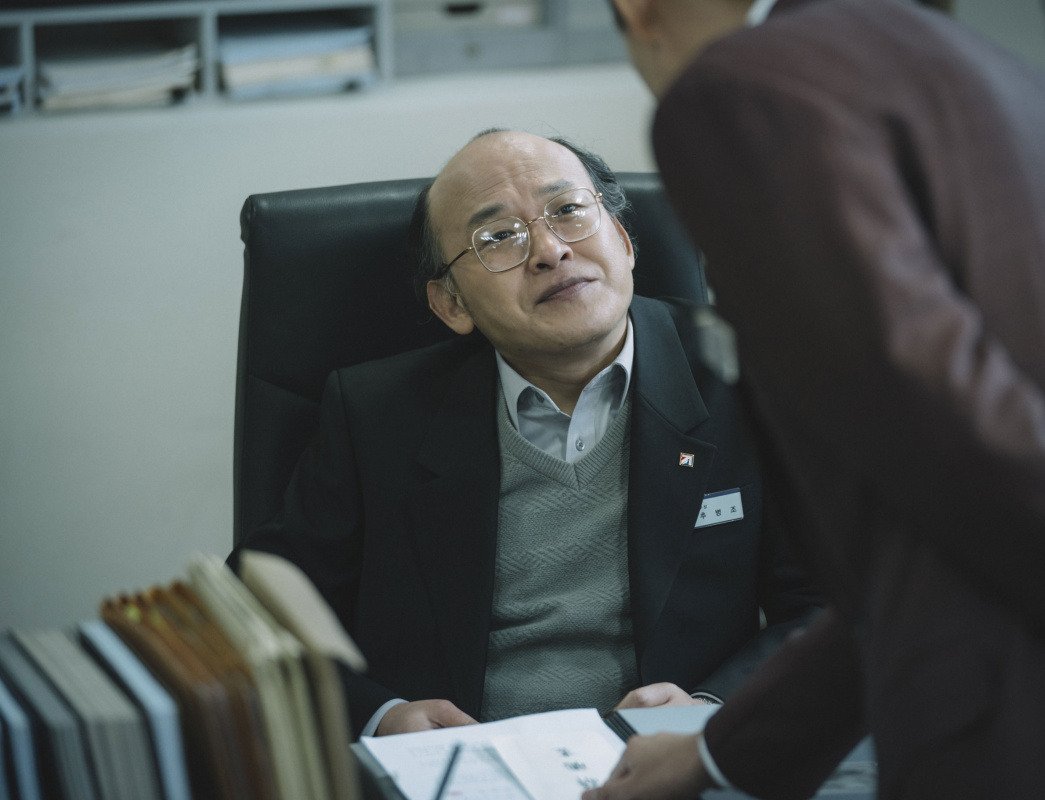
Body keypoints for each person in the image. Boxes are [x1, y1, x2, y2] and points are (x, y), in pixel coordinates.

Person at [588, 0, 1045, 798]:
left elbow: (939, 428)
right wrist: (715, 754)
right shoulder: (980, 63)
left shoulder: (736, 93)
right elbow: (920, 535)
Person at [231, 129, 822, 738]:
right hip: (465, 763)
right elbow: (250, 611)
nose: (550, 250)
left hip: (676, 758)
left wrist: (712, 706)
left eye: (568, 210)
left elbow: (832, 603)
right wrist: (380, 717)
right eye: (498, 237)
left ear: (622, 240)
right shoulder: (376, 415)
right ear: (452, 304)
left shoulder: (748, 371)